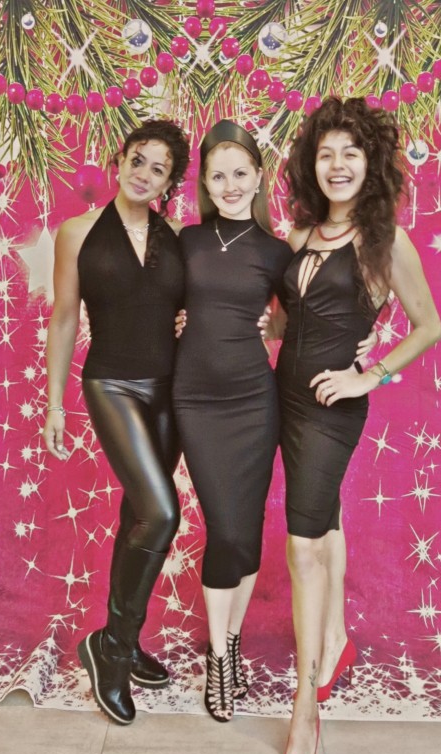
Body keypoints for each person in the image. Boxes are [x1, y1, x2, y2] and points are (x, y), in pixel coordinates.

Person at [270, 97, 441, 754]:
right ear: (311, 164)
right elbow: (285, 325)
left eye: (351, 153)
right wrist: (217, 321)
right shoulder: (300, 236)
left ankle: (305, 708)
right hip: (280, 399)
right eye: (326, 153)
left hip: (330, 410)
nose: (337, 164)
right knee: (324, 522)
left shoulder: (385, 241)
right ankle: (335, 642)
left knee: (303, 545)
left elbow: (428, 325)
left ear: (371, 165)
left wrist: (371, 375)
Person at [42, 119, 190, 725]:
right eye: (138, 160)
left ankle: (114, 637)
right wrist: (54, 404)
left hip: (170, 391)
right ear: (120, 160)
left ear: (169, 183)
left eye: (159, 169)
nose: (144, 174)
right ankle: (116, 651)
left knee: (138, 518)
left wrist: (190, 320)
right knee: (162, 512)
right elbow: (63, 318)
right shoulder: (77, 232)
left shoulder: (176, 235)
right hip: (112, 384)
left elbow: (190, 307)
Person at [172, 120, 294, 722]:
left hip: (254, 403)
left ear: (259, 176)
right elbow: (158, 303)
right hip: (196, 400)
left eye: (240, 173)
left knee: (244, 533)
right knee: (224, 528)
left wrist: (276, 326)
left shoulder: (276, 251)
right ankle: (219, 659)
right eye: (218, 175)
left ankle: (231, 643)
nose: (230, 185)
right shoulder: (186, 241)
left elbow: (299, 319)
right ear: (204, 183)